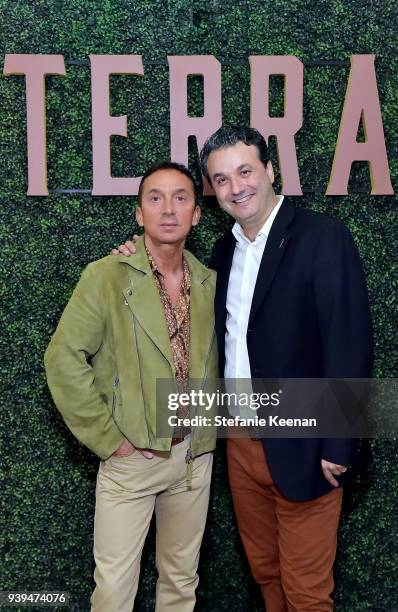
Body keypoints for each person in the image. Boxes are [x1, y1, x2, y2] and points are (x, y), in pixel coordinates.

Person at [115, 127, 373, 612]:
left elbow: (349, 340)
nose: (236, 187)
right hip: (240, 445)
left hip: (308, 440)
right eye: (221, 178)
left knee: (306, 591)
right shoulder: (222, 253)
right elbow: (173, 288)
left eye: (245, 171)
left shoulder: (322, 237)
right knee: (267, 575)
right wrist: (132, 256)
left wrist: (340, 441)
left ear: (270, 171)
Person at [44, 162, 218, 612]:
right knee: (114, 591)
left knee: (181, 583)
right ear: (139, 214)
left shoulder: (208, 281)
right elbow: (62, 359)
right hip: (133, 460)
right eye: (154, 198)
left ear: (196, 214)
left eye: (180, 198)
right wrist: (111, 441)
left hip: (193, 458)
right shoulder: (106, 275)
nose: (167, 209)